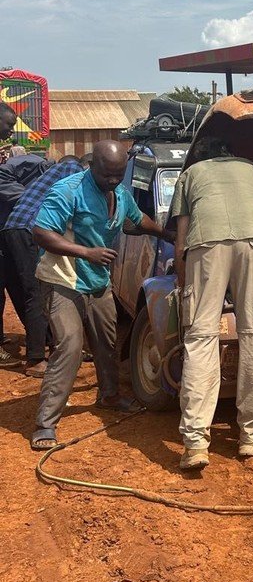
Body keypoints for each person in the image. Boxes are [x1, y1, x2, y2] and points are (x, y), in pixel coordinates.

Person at [30, 141, 171, 451]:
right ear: (92, 164)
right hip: (62, 279)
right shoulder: (68, 191)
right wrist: (86, 252)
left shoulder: (118, 193)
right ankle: (46, 422)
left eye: (119, 175)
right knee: (70, 345)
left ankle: (109, 396)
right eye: (107, 174)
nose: (113, 180)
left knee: (107, 341)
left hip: (97, 281)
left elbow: (136, 221)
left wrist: (165, 232)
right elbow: (41, 233)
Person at [170, 140, 253, 471]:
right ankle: (251, 437)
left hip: (205, 246)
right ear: (230, 153)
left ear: (201, 157)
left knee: (201, 337)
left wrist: (183, 284)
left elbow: (181, 238)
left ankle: (195, 443)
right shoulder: (252, 169)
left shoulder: (190, 174)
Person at [2, 154, 89, 376]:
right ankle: (35, 360)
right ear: (89, 166)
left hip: (13, 229)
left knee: (27, 291)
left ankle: (53, 345)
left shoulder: (55, 172)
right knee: (36, 293)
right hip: (28, 229)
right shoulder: (73, 169)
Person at [0, 140, 51, 368]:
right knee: (33, 291)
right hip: (17, 231)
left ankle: (44, 342)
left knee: (21, 289)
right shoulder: (37, 165)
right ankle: (35, 358)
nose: (10, 132)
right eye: (8, 126)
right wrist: (29, 196)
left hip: (8, 233)